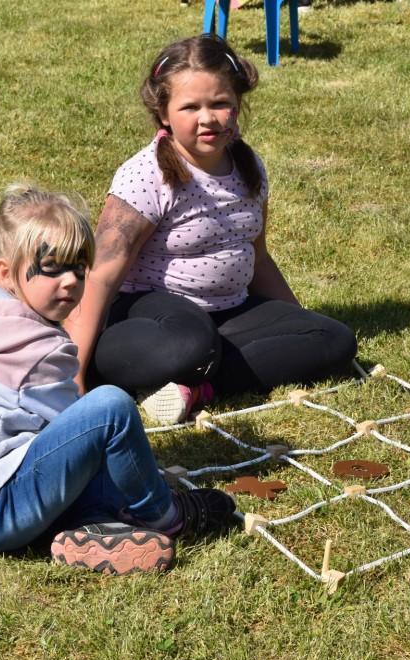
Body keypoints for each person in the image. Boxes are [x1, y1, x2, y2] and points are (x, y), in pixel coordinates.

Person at [0, 184, 236, 575]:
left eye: (79, 267)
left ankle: (95, 529)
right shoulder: (34, 348)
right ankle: (163, 515)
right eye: (52, 267)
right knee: (111, 410)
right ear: (6, 271)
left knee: (100, 447)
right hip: (3, 508)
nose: (70, 281)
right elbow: (83, 435)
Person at [64, 34, 357, 425]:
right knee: (193, 345)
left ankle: (196, 388)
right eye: (190, 107)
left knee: (335, 339)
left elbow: (258, 258)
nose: (208, 118)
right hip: (149, 321)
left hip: (225, 315)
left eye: (220, 103)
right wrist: (73, 376)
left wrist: (297, 323)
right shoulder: (145, 176)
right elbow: (100, 276)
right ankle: (160, 368)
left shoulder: (248, 166)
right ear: (163, 113)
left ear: (237, 104)